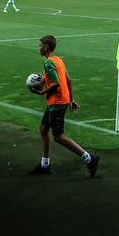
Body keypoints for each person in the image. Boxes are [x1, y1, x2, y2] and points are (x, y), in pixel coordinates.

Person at [27, 35, 99, 177]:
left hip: (57, 103)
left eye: (40, 45)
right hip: (61, 101)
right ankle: (45, 165)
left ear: (46, 47)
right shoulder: (58, 60)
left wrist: (42, 93)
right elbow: (69, 80)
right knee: (43, 129)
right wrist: (71, 99)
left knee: (58, 136)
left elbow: (56, 83)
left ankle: (89, 159)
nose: (39, 48)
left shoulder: (48, 63)